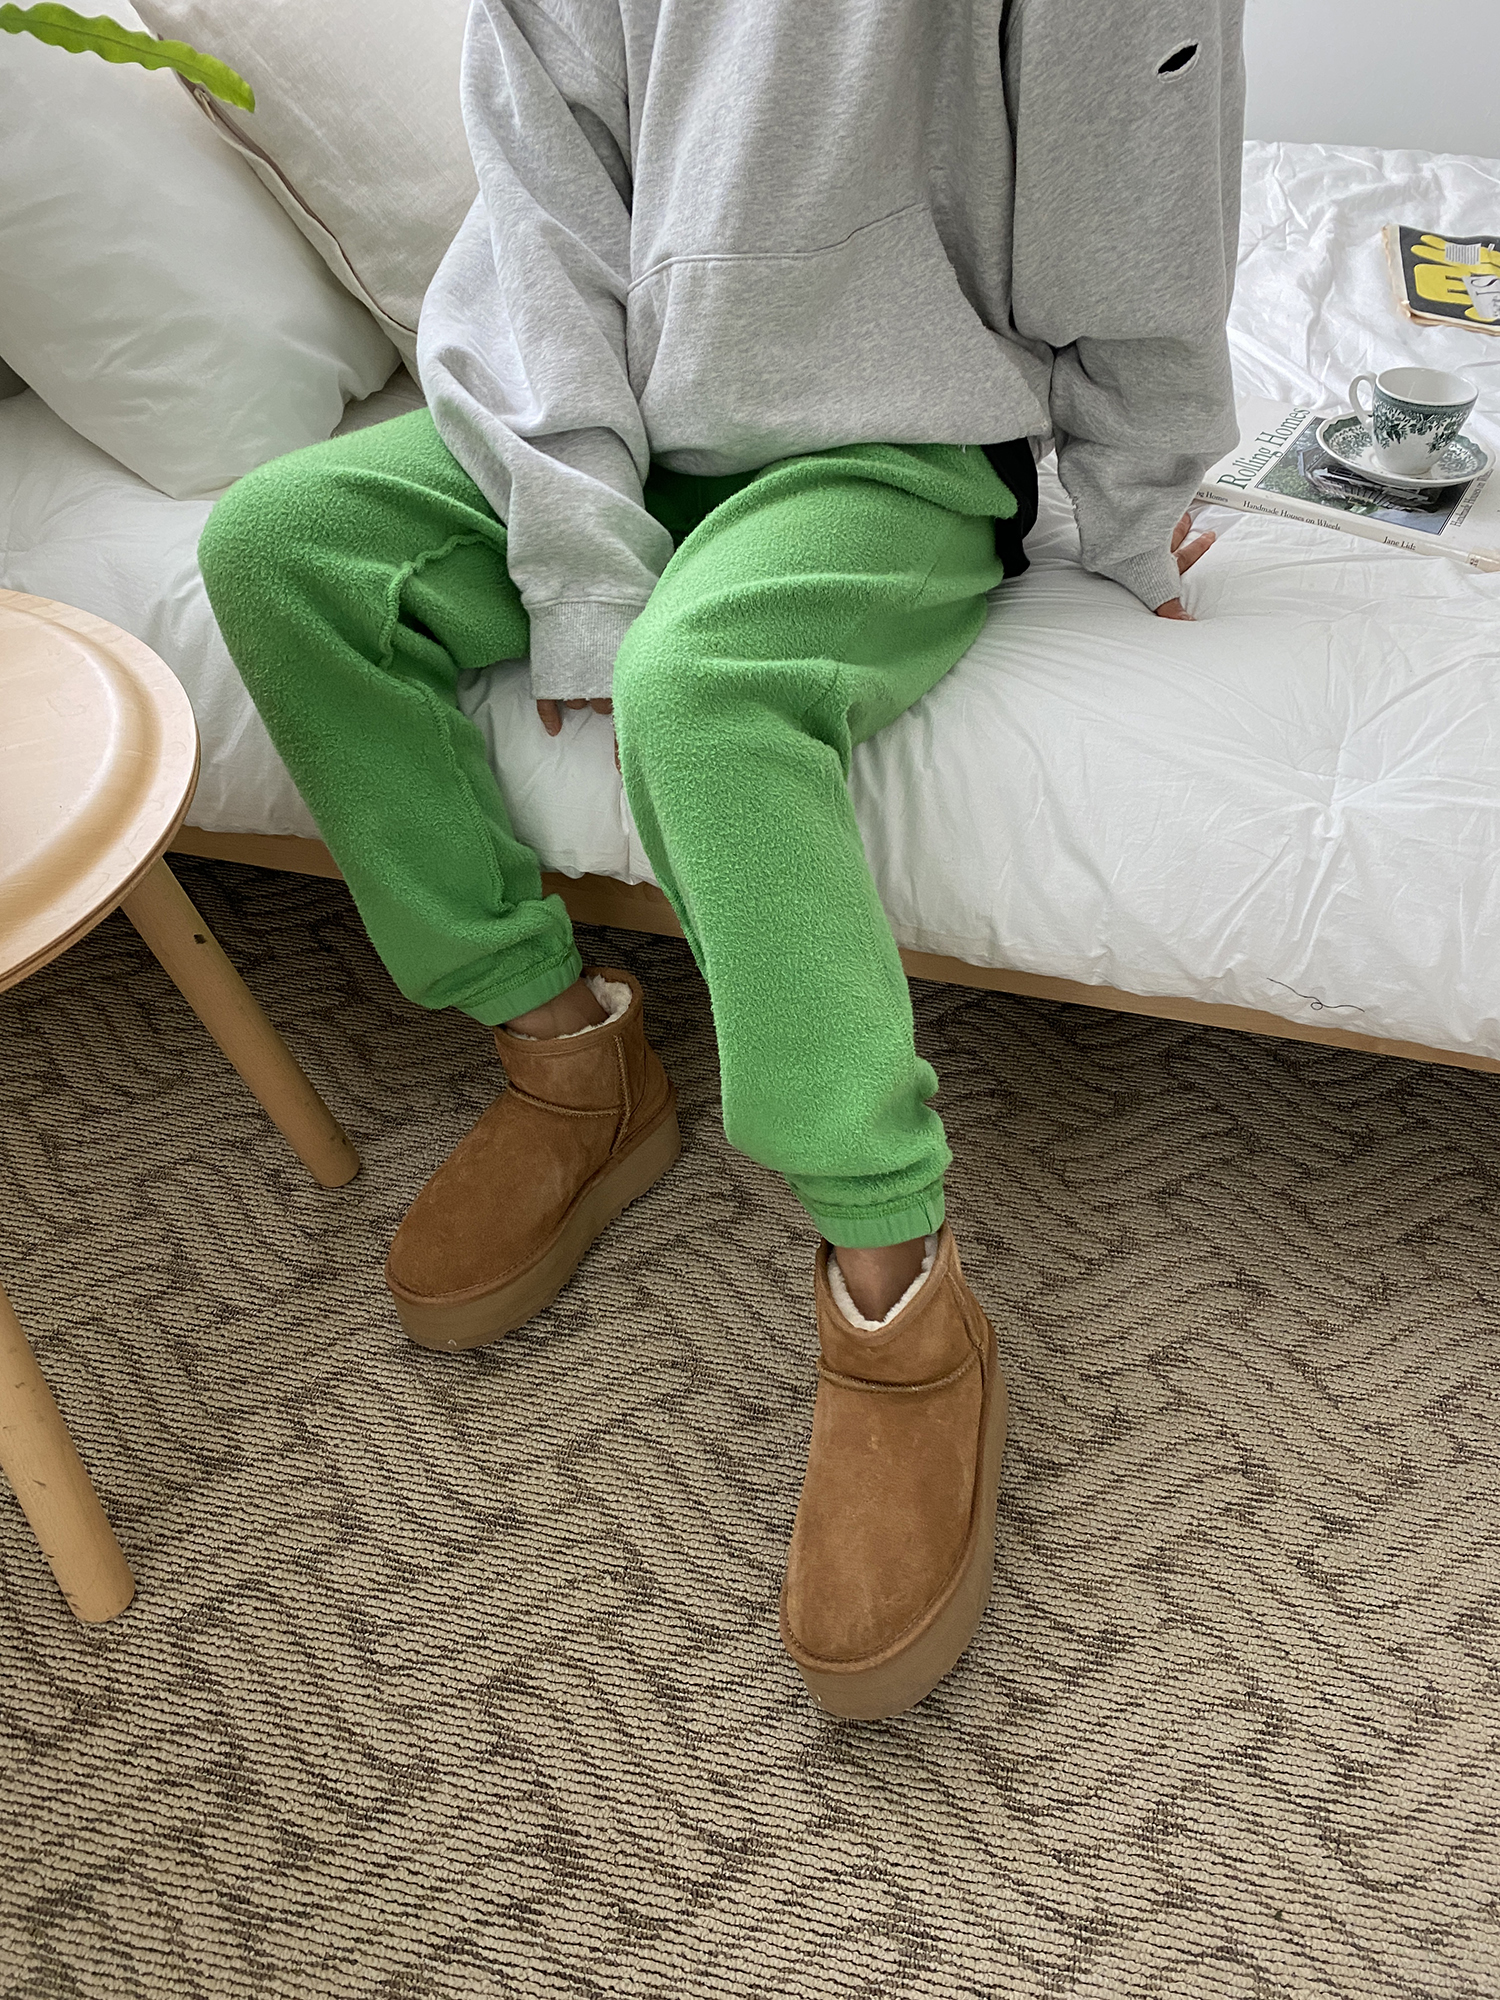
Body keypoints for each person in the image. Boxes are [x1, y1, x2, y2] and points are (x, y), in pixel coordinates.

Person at [199, 0, 1244, 1719]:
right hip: (626, 413)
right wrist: (580, 554)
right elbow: (543, 218)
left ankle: (897, 1289)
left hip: (898, 439)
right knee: (282, 543)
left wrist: (1137, 504)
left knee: (700, 697)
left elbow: (1133, 167)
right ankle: (565, 1054)